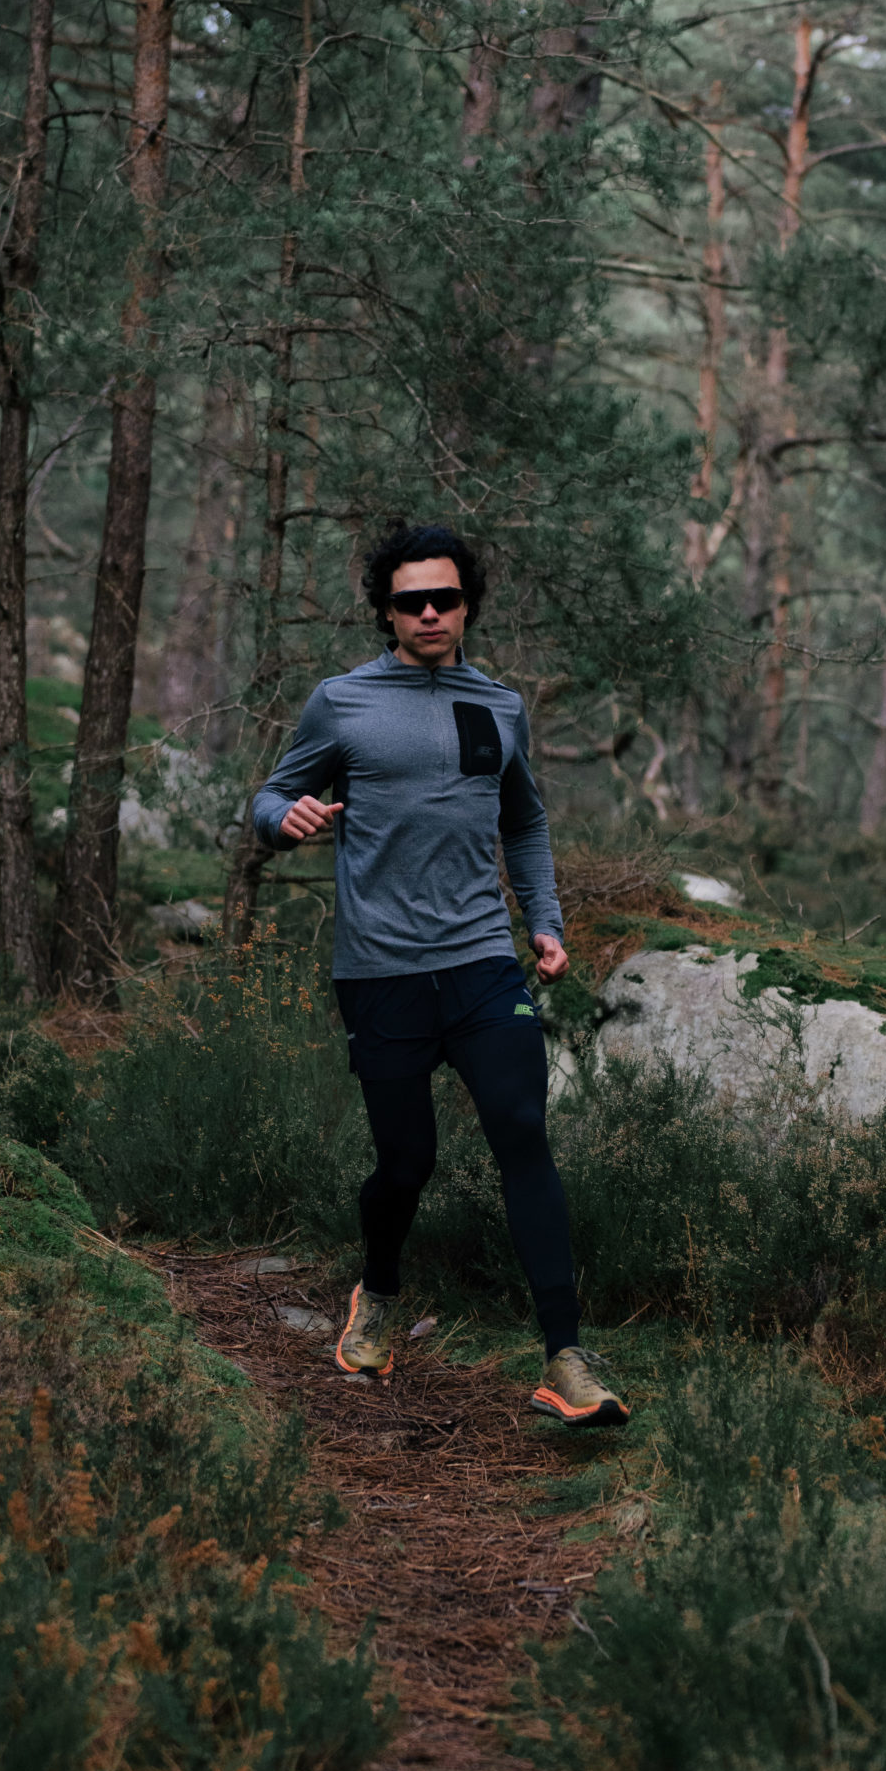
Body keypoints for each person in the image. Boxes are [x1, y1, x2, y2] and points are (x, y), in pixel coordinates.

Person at [251, 520, 629, 1427]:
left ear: (467, 606)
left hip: (480, 960)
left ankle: (565, 1359)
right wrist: (281, 820)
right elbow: (268, 796)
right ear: (386, 613)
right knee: (406, 1160)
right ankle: (378, 1291)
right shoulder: (341, 702)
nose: (428, 613)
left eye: (444, 598)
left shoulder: (497, 705)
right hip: (379, 970)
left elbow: (523, 820)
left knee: (521, 1131)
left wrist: (543, 921)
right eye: (410, 601)